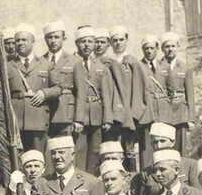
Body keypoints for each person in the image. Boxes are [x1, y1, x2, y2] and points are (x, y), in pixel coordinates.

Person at [74, 26, 121, 176]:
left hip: (97, 114)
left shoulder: (101, 68)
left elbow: (107, 94)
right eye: (82, 41)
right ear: (77, 44)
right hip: (78, 117)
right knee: (79, 151)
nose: (86, 45)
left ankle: (92, 181)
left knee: (95, 151)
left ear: (94, 44)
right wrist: (76, 119)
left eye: (90, 41)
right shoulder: (73, 64)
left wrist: (107, 119)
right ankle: (79, 181)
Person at [105, 25, 145, 169]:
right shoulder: (106, 63)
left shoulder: (133, 62)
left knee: (130, 151)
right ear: (110, 42)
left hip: (128, 115)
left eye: (121, 39)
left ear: (126, 40)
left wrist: (135, 114)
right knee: (113, 150)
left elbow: (139, 88)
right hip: (113, 114)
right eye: (114, 40)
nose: (118, 43)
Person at [8, 25, 52, 156]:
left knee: (38, 158)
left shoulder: (46, 63)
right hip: (16, 121)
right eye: (17, 40)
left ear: (33, 41)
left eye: (24, 40)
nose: (20, 43)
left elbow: (58, 87)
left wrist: (44, 93)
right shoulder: (8, 65)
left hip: (37, 119)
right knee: (17, 159)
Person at [150, 32, 195, 154]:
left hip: (181, 111)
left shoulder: (185, 67)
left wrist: (191, 118)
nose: (170, 49)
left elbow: (190, 94)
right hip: (163, 111)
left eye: (173, 46)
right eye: (167, 46)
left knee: (181, 148)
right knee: (164, 146)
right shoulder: (157, 66)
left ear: (177, 47)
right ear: (163, 49)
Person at [42, 20, 83, 148]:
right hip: (45, 114)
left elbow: (81, 91)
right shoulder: (40, 61)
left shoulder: (75, 61)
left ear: (63, 38)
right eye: (49, 37)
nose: (53, 41)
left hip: (66, 114)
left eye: (56, 37)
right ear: (45, 39)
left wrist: (79, 119)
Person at [133, 34, 162, 168]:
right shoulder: (138, 66)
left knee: (162, 149)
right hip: (146, 115)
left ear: (157, 49)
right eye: (146, 48)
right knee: (146, 152)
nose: (149, 51)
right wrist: (140, 115)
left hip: (162, 114)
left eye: (152, 48)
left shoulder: (163, 66)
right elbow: (137, 91)